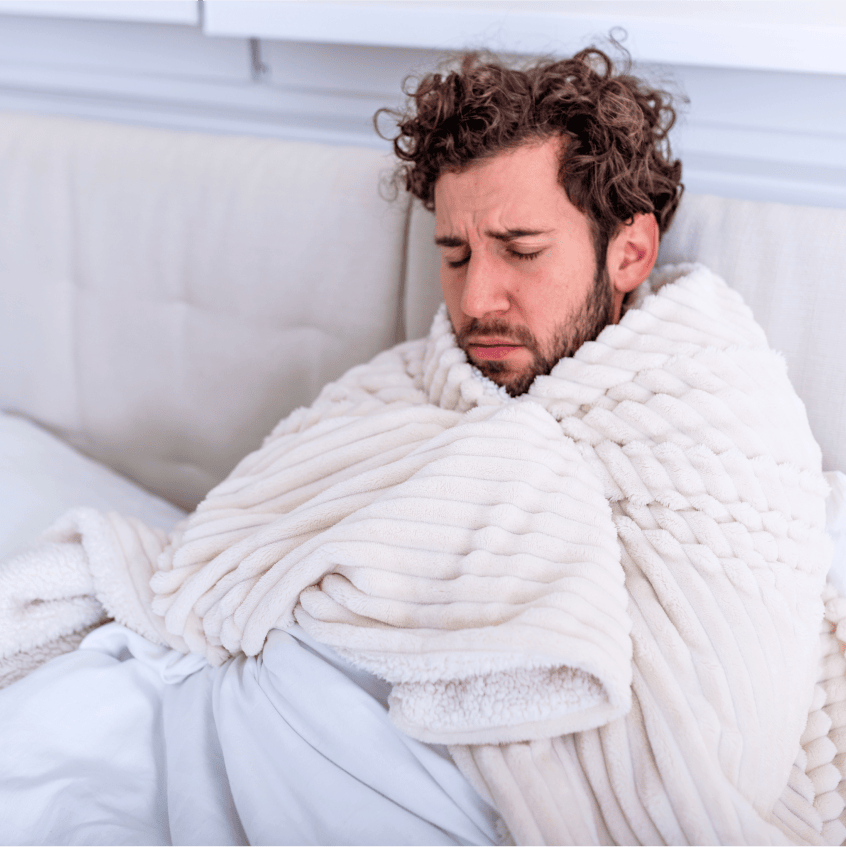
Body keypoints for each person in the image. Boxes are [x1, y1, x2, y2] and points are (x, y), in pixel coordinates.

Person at [0, 47, 842, 847]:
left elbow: (718, 747)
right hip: (234, 711)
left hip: (404, 760)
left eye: (520, 250)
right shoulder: (410, 381)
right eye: (454, 252)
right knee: (66, 719)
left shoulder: (709, 410)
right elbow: (232, 551)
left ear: (629, 251)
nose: (477, 298)